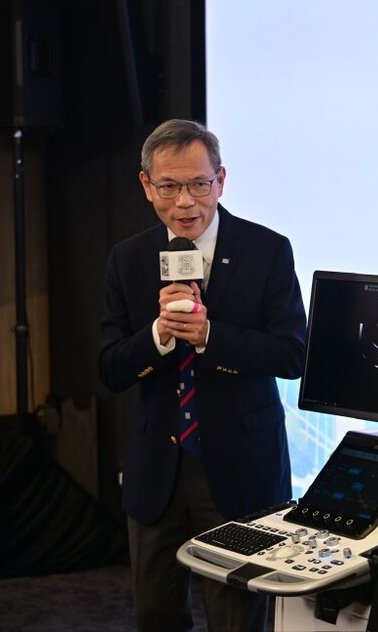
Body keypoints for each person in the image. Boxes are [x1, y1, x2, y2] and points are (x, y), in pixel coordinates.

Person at [99, 119, 307, 631]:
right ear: (147, 186)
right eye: (169, 186)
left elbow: (292, 355)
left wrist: (211, 335)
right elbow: (110, 369)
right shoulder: (129, 258)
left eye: (199, 184)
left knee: (238, 620)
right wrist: (159, 335)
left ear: (221, 180)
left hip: (241, 470)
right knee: (156, 617)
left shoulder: (266, 250)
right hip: (157, 472)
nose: (185, 202)